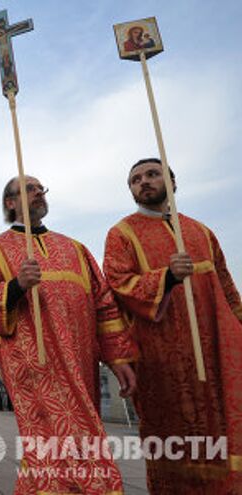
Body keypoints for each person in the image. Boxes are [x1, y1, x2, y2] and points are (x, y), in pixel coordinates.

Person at [0, 176, 138, 494]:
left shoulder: (76, 249)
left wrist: (118, 357)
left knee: (72, 438)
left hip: (80, 361)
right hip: (34, 364)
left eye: (40, 188)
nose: (38, 193)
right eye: (29, 189)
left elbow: (104, 306)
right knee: (56, 438)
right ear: (10, 202)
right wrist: (16, 286)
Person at [103, 158, 242, 493]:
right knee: (172, 443)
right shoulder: (122, 234)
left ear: (173, 183)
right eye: (136, 179)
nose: (144, 182)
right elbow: (118, 285)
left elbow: (226, 288)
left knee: (223, 433)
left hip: (214, 353)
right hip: (161, 357)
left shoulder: (200, 232)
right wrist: (165, 277)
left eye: (153, 175)